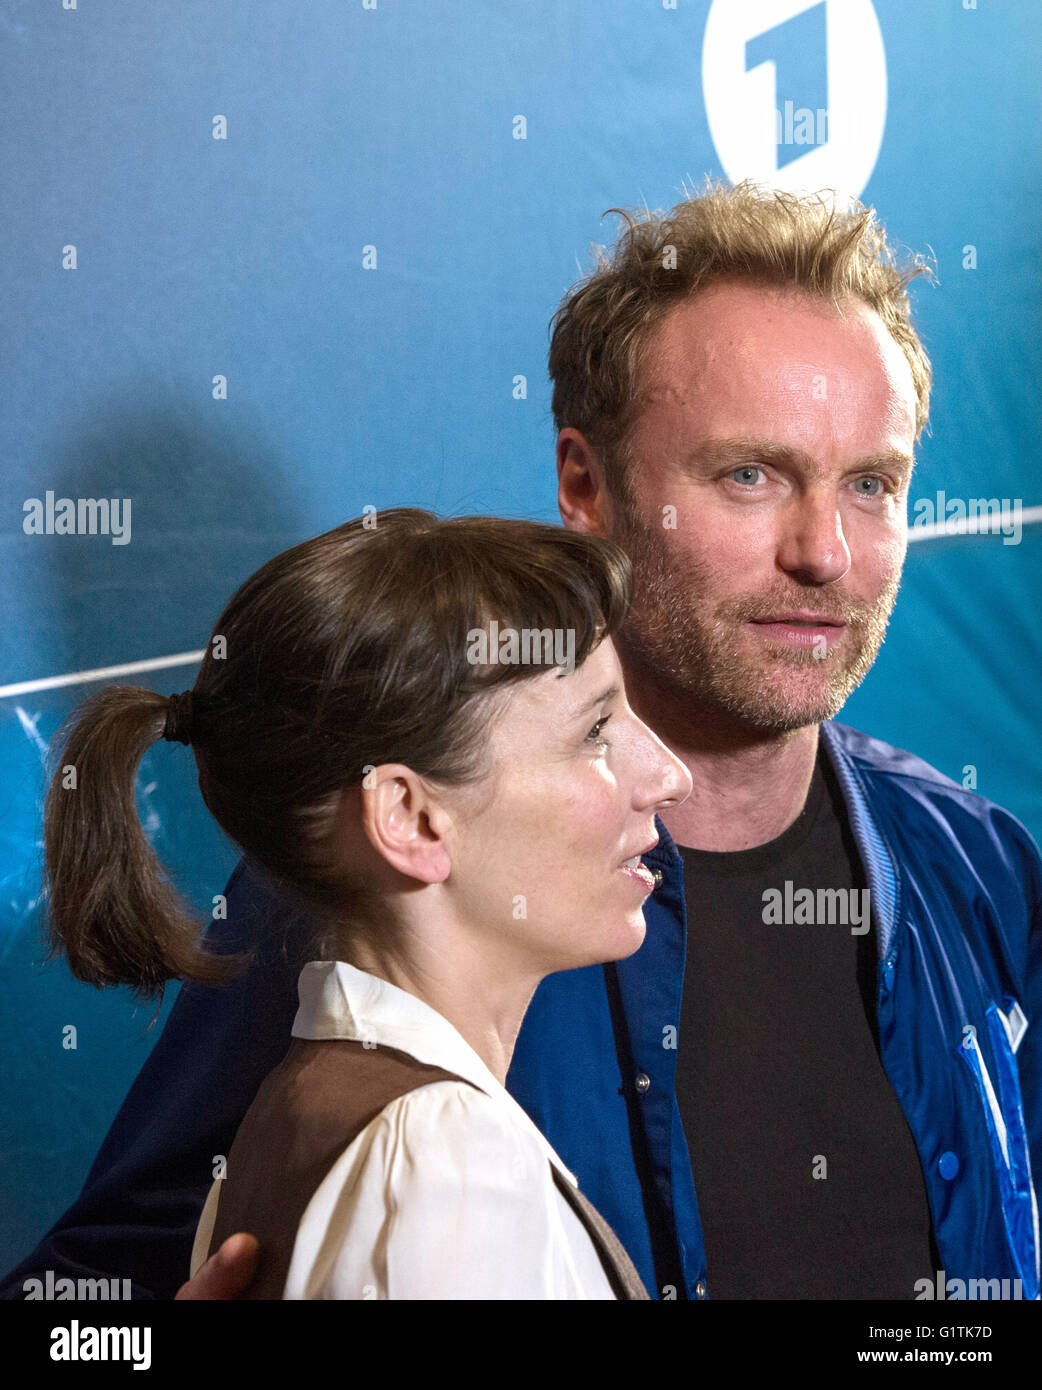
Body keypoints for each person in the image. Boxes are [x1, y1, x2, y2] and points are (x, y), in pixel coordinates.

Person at [5, 181, 1039, 1302]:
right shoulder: (382, 887)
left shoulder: (975, 863)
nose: (823, 552)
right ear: (584, 485)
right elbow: (76, 1312)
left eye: (872, 485)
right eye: (749, 474)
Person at [34, 511, 691, 1298]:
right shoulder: (448, 1165)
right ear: (410, 819)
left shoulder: (310, 1120)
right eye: (594, 731)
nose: (667, 775)